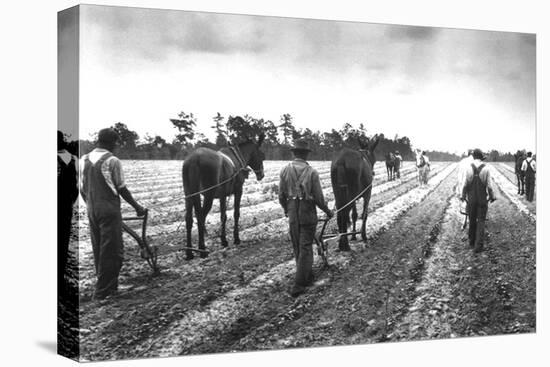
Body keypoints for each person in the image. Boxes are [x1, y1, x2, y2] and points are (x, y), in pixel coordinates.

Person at [80, 128, 146, 300]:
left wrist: (91, 205)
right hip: (109, 209)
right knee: (113, 250)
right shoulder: (112, 160)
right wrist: (137, 207)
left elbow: (81, 188)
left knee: (99, 248)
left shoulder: (83, 160)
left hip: (92, 209)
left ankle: (108, 285)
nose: (116, 146)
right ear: (111, 143)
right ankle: (104, 291)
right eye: (116, 143)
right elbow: (121, 188)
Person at [278, 139, 333, 297]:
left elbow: (281, 195)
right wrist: (328, 212)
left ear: (294, 153)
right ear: (306, 155)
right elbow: (318, 198)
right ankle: (301, 282)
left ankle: (305, 274)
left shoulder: (284, 170)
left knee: (297, 245)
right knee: (306, 247)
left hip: (293, 213)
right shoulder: (312, 172)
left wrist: (286, 210)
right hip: (307, 212)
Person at [460, 149, 496, 253]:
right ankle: (478, 246)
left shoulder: (468, 168)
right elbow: (489, 186)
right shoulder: (486, 169)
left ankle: (471, 242)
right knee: (481, 221)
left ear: (474, 157)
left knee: (471, 219)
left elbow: (464, 184)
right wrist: (492, 196)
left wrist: (462, 196)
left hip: (471, 200)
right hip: (482, 199)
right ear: (481, 158)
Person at [58, 131, 78, 290]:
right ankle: (60, 276)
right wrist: (70, 202)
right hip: (66, 206)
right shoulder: (73, 159)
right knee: (63, 240)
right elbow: (76, 188)